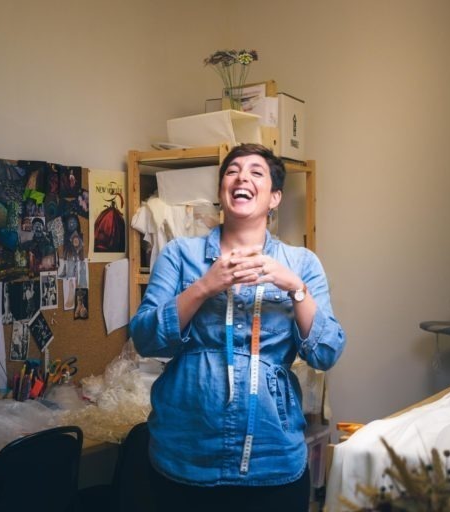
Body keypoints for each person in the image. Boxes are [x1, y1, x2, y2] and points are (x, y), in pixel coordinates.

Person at [129, 143, 346, 511]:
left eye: (256, 172)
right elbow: (146, 338)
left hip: (273, 460)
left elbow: (326, 353)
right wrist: (204, 287)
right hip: (184, 457)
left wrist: (294, 287)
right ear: (221, 192)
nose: (242, 177)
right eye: (232, 171)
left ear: (275, 197)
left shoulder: (302, 263)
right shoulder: (180, 255)